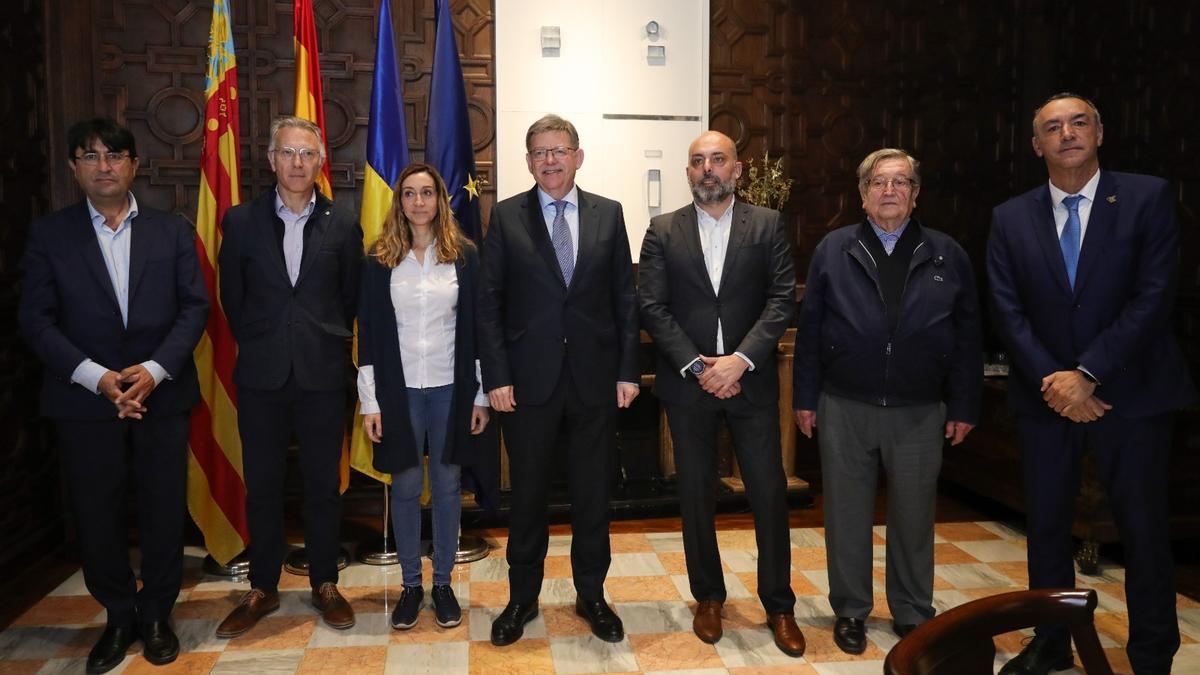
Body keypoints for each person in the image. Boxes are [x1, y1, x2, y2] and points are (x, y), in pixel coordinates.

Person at [988, 93, 1196, 675]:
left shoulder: (1147, 198)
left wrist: (1088, 374)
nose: (1067, 133)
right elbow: (1007, 310)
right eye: (1053, 127)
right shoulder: (1010, 217)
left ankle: (1152, 652)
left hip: (1132, 394)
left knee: (1144, 530)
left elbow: (1153, 297)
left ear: (1100, 133)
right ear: (1037, 146)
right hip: (1046, 397)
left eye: (1079, 122)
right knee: (1047, 528)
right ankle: (1052, 640)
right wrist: (1057, 383)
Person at [18, 117, 209, 673]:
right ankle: (118, 615)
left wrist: (152, 370)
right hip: (85, 402)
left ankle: (156, 616)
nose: (104, 166)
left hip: (161, 395)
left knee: (162, 511)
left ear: (133, 164)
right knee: (97, 514)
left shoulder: (171, 231)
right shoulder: (50, 235)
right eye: (91, 156)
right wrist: (97, 377)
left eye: (115, 155)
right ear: (74, 166)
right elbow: (36, 319)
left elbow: (194, 306)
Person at [792, 148, 982, 654]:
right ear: (862, 195)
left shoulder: (947, 254)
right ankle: (851, 611)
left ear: (916, 195)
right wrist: (805, 399)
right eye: (879, 182)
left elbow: (968, 337)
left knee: (915, 516)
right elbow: (809, 332)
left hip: (920, 410)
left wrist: (964, 405)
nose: (890, 191)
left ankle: (913, 611)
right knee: (847, 515)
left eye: (902, 182)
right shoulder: (834, 248)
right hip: (845, 405)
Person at [638, 130, 805, 657]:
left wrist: (739, 360)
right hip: (689, 388)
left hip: (749, 381)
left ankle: (779, 604)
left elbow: (781, 299)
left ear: (737, 169)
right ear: (688, 173)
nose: (707, 168)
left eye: (718, 159)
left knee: (769, 494)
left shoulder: (768, 224)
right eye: (697, 161)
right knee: (694, 495)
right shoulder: (663, 230)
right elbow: (651, 306)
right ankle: (708, 597)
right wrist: (694, 364)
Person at [478, 114, 640, 646]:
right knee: (526, 499)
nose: (550, 160)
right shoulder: (505, 218)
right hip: (527, 386)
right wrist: (496, 377)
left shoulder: (609, 214)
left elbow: (624, 299)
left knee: (593, 497)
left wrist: (626, 371)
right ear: (528, 161)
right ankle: (521, 598)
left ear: (578, 156)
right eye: (539, 152)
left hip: (594, 382)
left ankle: (591, 595)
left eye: (559, 150)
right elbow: (489, 305)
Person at [215, 116, 363, 637]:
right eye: (288, 153)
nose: (298, 163)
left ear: (320, 162)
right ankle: (262, 587)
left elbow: (350, 298)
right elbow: (232, 298)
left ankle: (324, 582)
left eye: (307, 154)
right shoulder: (240, 221)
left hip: (322, 374)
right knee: (263, 485)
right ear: (272, 160)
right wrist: (268, 339)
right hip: (262, 374)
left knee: (325, 485)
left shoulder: (342, 223)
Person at [357, 163, 490, 630]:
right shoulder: (379, 259)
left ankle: (443, 583)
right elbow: (369, 335)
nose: (418, 202)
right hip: (399, 391)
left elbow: (476, 331)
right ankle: (412, 585)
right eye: (410, 193)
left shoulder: (465, 256)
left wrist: (480, 397)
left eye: (427, 193)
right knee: (408, 488)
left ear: (440, 200)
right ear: (399, 202)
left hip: (451, 388)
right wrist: (370, 402)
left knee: (449, 487)